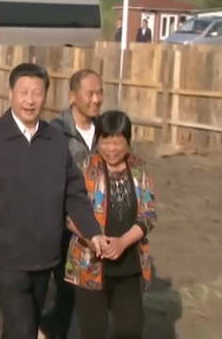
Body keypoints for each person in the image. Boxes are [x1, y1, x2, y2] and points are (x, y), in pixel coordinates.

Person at [0, 63, 106, 339]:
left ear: (45, 96)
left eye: (37, 93)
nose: (30, 100)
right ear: (10, 93)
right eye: (23, 92)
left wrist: (92, 232)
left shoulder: (55, 140)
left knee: (21, 327)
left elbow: (74, 192)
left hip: (45, 257)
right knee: (24, 330)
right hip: (6, 257)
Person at [65, 110, 157, 339]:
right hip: (89, 264)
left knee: (131, 330)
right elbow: (69, 213)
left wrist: (122, 242)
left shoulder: (139, 169)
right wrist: (92, 239)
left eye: (118, 142)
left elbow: (148, 214)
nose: (112, 149)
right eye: (106, 142)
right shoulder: (85, 168)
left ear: (128, 142)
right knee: (93, 331)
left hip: (129, 265)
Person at [41, 69, 104, 339]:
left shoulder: (105, 132)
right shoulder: (56, 133)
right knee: (66, 290)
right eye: (90, 93)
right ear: (72, 96)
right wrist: (76, 225)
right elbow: (51, 187)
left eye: (100, 93)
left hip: (98, 225)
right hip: (64, 227)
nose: (96, 99)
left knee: (87, 294)